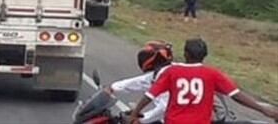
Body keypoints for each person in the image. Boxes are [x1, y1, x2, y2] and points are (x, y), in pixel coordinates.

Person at [130, 38, 278, 124]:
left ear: (185, 54)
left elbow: (150, 95)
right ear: (205, 55)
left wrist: (135, 113)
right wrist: (263, 109)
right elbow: (236, 95)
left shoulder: (171, 72)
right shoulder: (213, 74)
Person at [105, 40, 174, 124]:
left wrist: (141, 120)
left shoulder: (168, 75)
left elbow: (164, 108)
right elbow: (140, 82)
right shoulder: (163, 72)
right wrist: (113, 87)